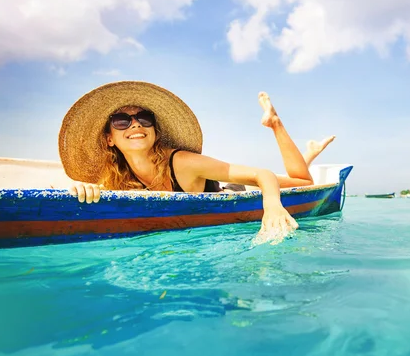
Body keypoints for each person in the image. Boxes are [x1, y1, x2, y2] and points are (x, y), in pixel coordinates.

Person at [58, 81, 335, 238]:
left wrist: (272, 206)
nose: (134, 126)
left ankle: (275, 123)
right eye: (121, 121)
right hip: (214, 189)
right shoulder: (116, 176)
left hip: (231, 188)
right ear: (109, 139)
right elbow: (92, 193)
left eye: (144, 119)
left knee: (303, 181)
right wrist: (85, 188)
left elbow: (262, 174)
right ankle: (307, 153)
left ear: (154, 130)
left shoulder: (183, 163)